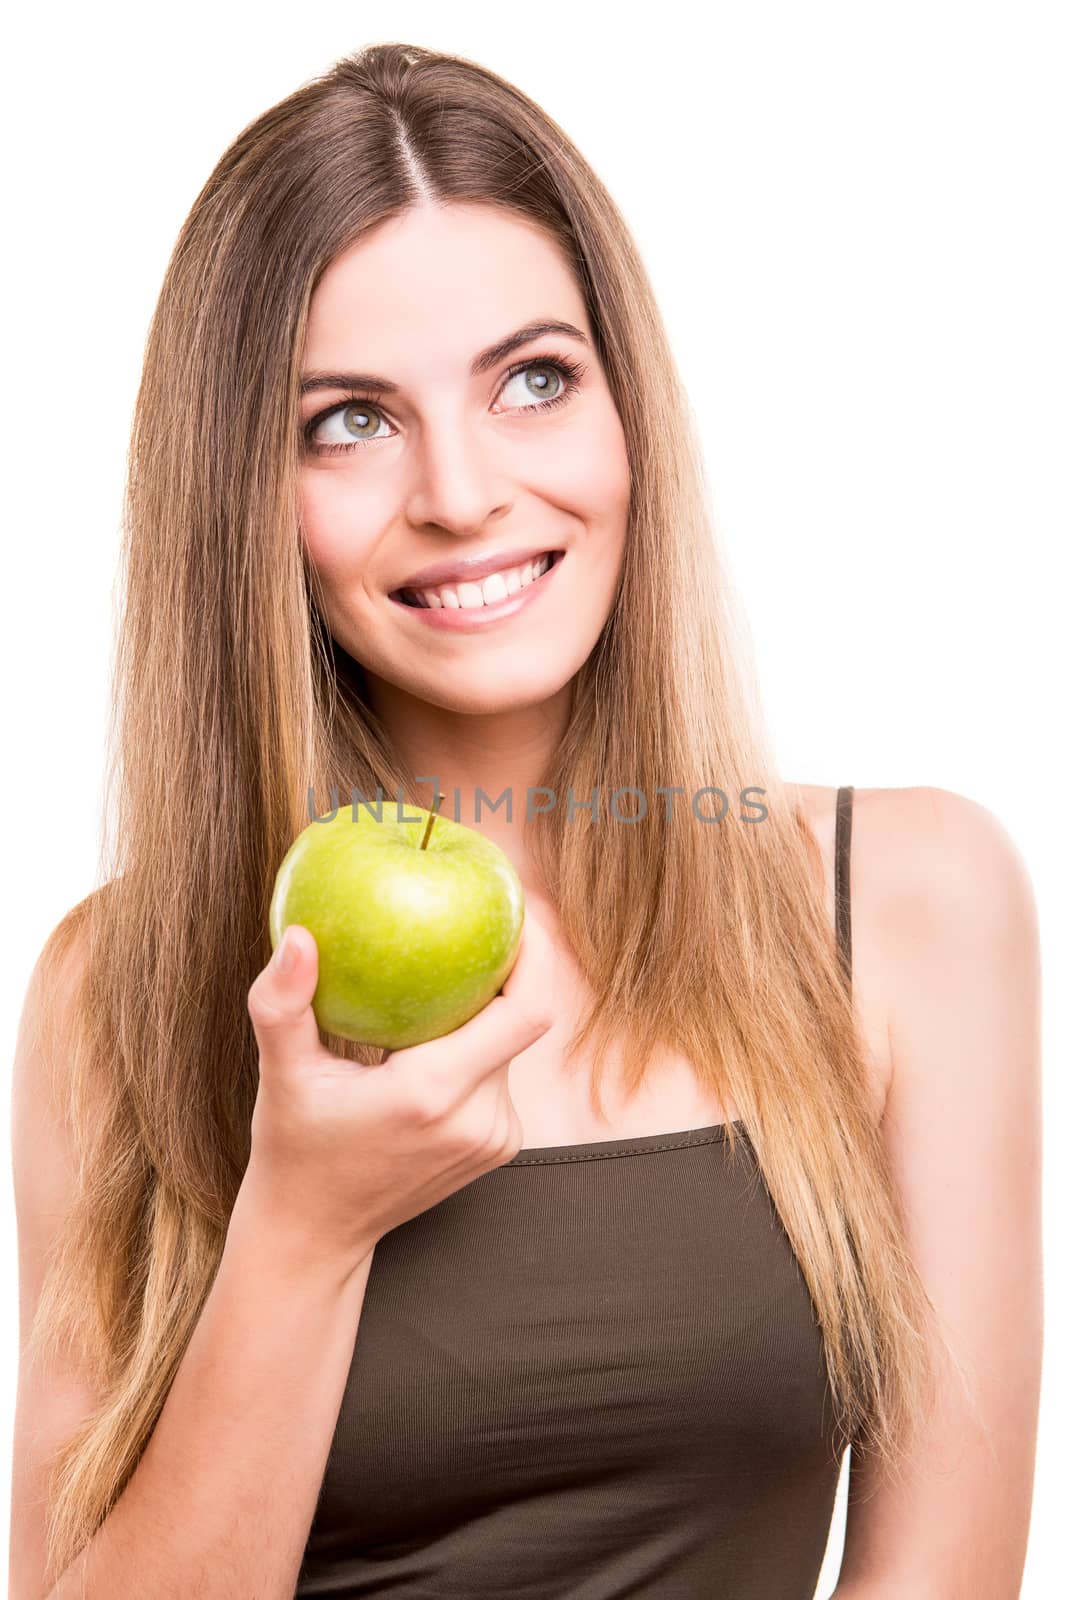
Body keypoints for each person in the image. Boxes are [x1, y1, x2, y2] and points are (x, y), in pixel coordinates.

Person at [9, 41, 1042, 1600]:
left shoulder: (905, 905)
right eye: (348, 421)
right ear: (246, 499)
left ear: (628, 409)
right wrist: (299, 1227)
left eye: (533, 380)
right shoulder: (122, 987)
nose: (462, 491)